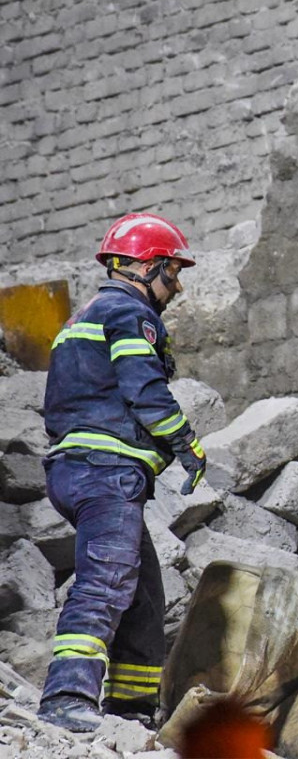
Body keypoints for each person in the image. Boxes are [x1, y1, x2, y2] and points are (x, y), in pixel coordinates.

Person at [37, 213, 207, 732]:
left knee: (144, 597)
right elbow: (145, 391)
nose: (176, 287)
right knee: (106, 584)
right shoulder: (130, 314)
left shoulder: (85, 317)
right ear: (146, 267)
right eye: (172, 273)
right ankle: (66, 698)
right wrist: (186, 443)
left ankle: (130, 710)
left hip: (81, 470)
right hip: (105, 472)